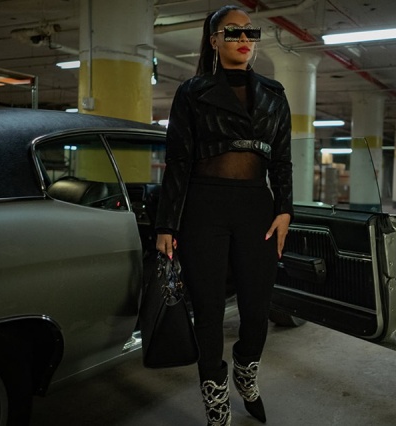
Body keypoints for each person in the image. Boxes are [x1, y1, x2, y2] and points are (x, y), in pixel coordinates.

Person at [155, 5, 293, 425]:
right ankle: (215, 397)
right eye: (233, 32)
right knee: (209, 311)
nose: (244, 39)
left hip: (256, 208)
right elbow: (178, 161)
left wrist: (285, 210)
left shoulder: (274, 93)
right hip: (204, 206)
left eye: (250, 32)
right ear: (214, 40)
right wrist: (166, 223)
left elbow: (282, 160)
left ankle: (246, 372)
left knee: (256, 308)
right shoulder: (192, 91)